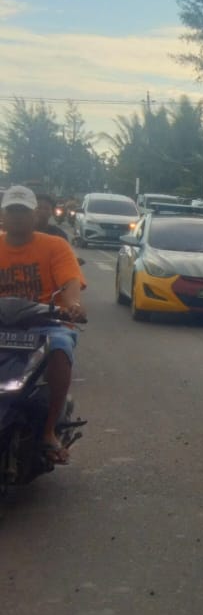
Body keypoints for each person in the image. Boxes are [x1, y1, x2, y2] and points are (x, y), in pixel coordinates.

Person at [0, 185, 88, 464]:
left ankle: (48, 430)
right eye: (11, 210)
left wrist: (72, 305)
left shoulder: (55, 246)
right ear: (3, 214)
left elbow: (70, 281)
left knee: (61, 346)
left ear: (34, 215)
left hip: (45, 322)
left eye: (22, 211)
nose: (16, 217)